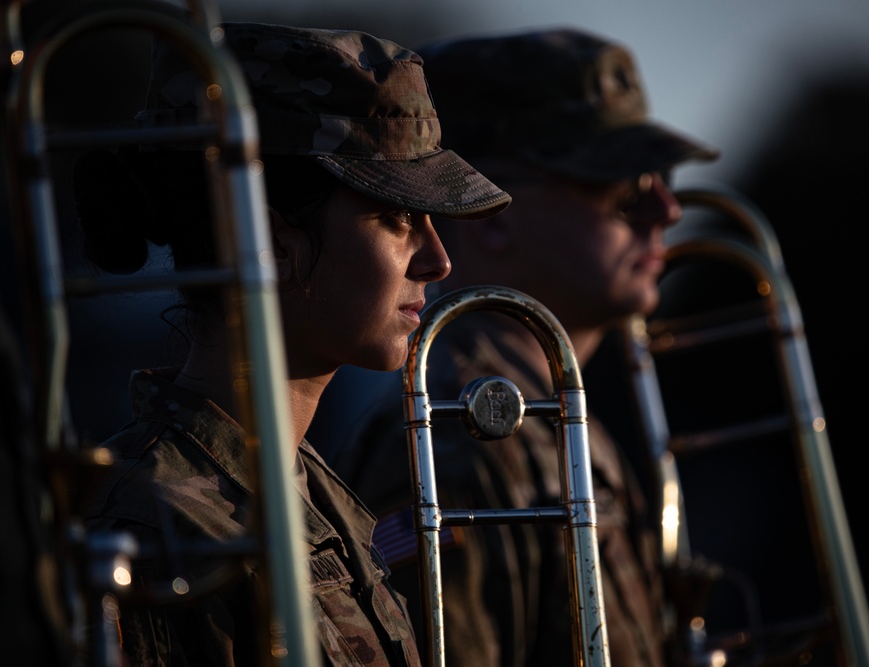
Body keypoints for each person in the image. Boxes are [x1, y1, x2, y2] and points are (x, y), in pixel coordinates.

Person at [76, 22, 510, 667]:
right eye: (395, 218)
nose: (437, 260)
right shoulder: (156, 534)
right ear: (270, 242)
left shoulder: (311, 490)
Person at [326, 27, 719, 667]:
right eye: (624, 185)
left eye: (661, 177)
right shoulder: (454, 435)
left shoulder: (549, 416)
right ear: (495, 209)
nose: (668, 209)